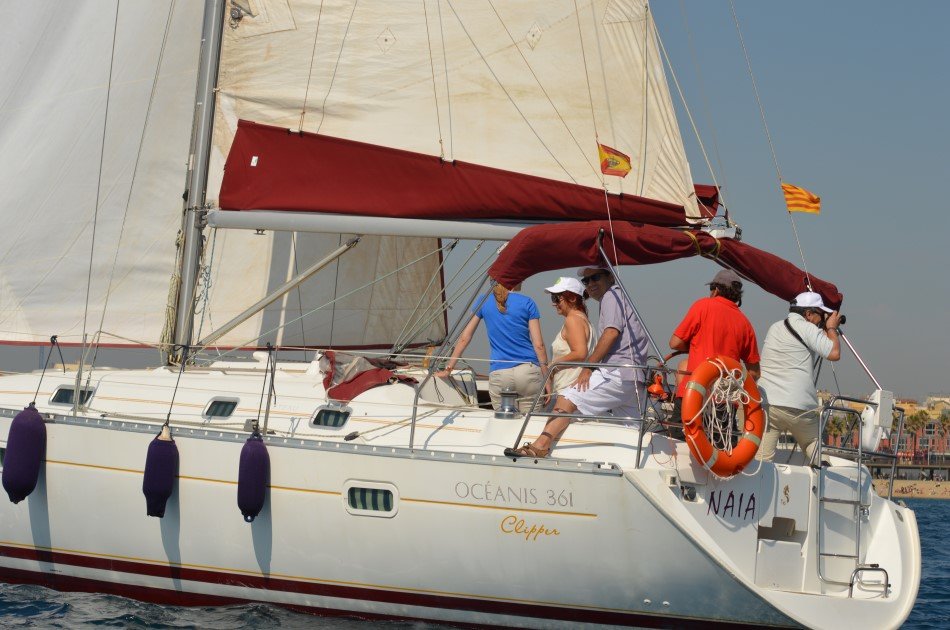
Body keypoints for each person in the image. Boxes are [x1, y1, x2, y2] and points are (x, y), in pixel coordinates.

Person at [505, 266, 648, 458]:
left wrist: (577, 368)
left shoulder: (610, 297)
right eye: (586, 281)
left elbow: (610, 333)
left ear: (610, 277)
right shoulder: (614, 299)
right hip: (634, 376)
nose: (590, 284)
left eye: (595, 278)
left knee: (568, 397)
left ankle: (540, 446)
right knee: (632, 429)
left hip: (617, 372)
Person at [667, 269, 760, 437]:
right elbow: (754, 372)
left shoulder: (703, 306)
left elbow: (674, 343)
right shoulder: (745, 323)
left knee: (679, 444)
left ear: (715, 290)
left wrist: (694, 344)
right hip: (724, 402)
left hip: (693, 395)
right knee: (722, 451)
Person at [755, 291, 841, 463]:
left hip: (769, 404)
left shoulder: (775, 327)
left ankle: (759, 486)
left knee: (762, 460)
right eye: (819, 315)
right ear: (808, 314)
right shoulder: (807, 328)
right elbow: (834, 352)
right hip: (800, 407)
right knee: (813, 445)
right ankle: (824, 477)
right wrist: (831, 328)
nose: (820, 321)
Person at [436, 284, 548, 412]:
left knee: (503, 426)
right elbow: (539, 345)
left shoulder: (484, 301)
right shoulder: (528, 302)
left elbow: (464, 338)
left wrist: (448, 368)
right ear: (514, 279)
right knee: (529, 426)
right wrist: (547, 379)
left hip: (500, 374)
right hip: (528, 372)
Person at [544, 276, 594, 396]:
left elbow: (580, 353)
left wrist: (553, 365)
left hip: (569, 390)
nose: (553, 303)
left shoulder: (573, 320)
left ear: (571, 298)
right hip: (577, 390)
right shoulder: (583, 319)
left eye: (556, 298)